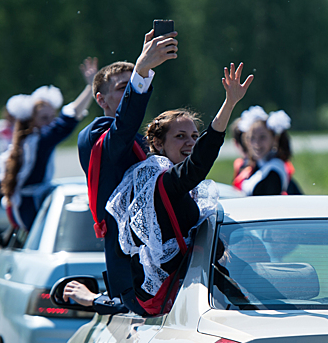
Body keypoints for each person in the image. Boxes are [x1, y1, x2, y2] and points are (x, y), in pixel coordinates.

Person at [64, 62, 253, 315]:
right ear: (157, 143)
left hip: (188, 293)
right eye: (180, 136)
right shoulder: (158, 181)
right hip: (166, 302)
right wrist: (229, 104)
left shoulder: (176, 183)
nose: (190, 143)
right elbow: (197, 164)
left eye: (195, 136)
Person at [74, 25, 179, 314]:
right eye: (123, 87)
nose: (128, 90)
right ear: (101, 100)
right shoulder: (95, 135)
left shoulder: (139, 136)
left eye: (129, 85)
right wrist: (142, 71)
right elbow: (121, 129)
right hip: (134, 269)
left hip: (166, 251)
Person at [0, 61, 95, 230]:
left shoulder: (19, 145)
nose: (51, 123)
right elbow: (68, 120)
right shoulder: (39, 142)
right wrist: (90, 88)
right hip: (31, 207)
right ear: (31, 121)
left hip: (17, 209)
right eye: (44, 118)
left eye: (52, 117)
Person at [233, 106, 302, 195]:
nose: (256, 143)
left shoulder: (274, 170)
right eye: (252, 138)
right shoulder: (253, 166)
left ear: (274, 139)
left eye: (262, 137)